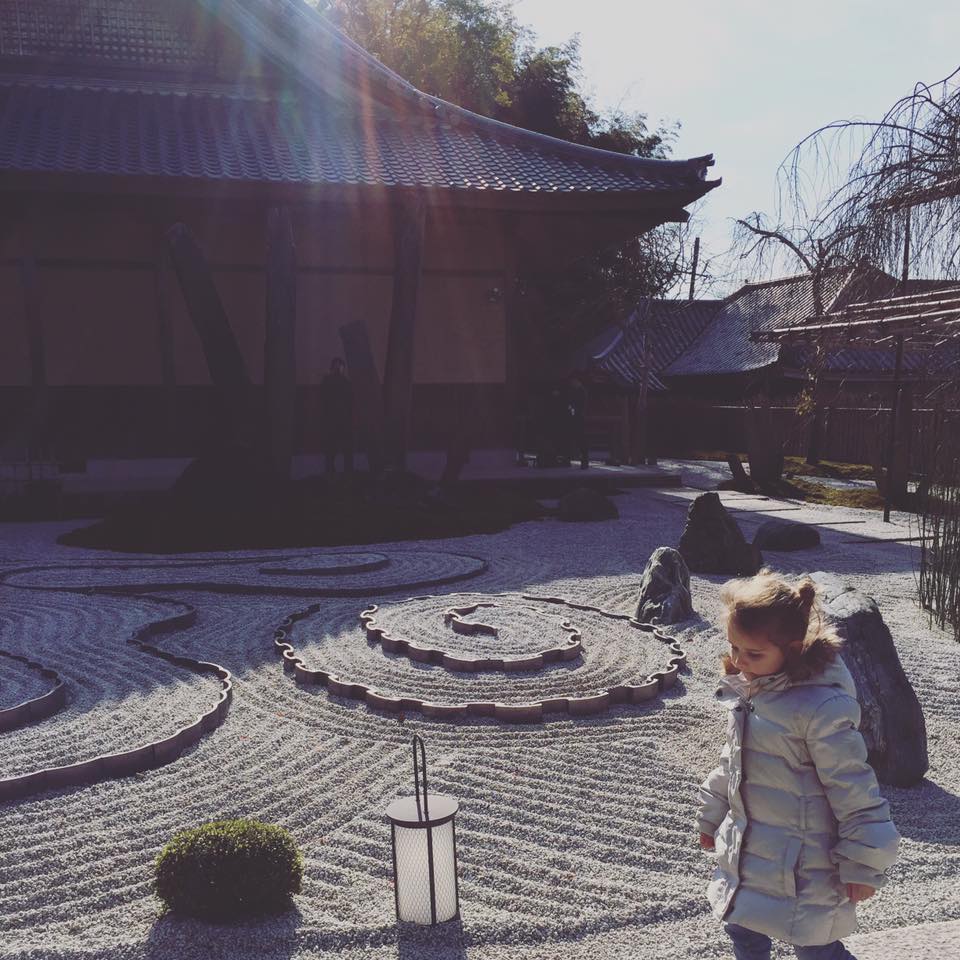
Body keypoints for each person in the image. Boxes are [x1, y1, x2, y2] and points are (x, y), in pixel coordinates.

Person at [696, 570, 899, 960]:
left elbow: (854, 788)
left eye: (753, 654)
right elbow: (731, 763)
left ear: (792, 649)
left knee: (814, 946)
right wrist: (711, 816)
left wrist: (863, 862)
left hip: (807, 866)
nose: (739, 661)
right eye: (734, 648)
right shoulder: (750, 691)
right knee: (740, 924)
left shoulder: (819, 708)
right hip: (750, 852)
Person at [318, 357, 353, 473]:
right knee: (334, 450)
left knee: (339, 449)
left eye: (339, 366)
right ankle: (337, 472)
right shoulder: (340, 382)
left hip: (339, 421)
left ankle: (341, 472)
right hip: (336, 421)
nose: (338, 369)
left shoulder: (331, 382)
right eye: (337, 366)